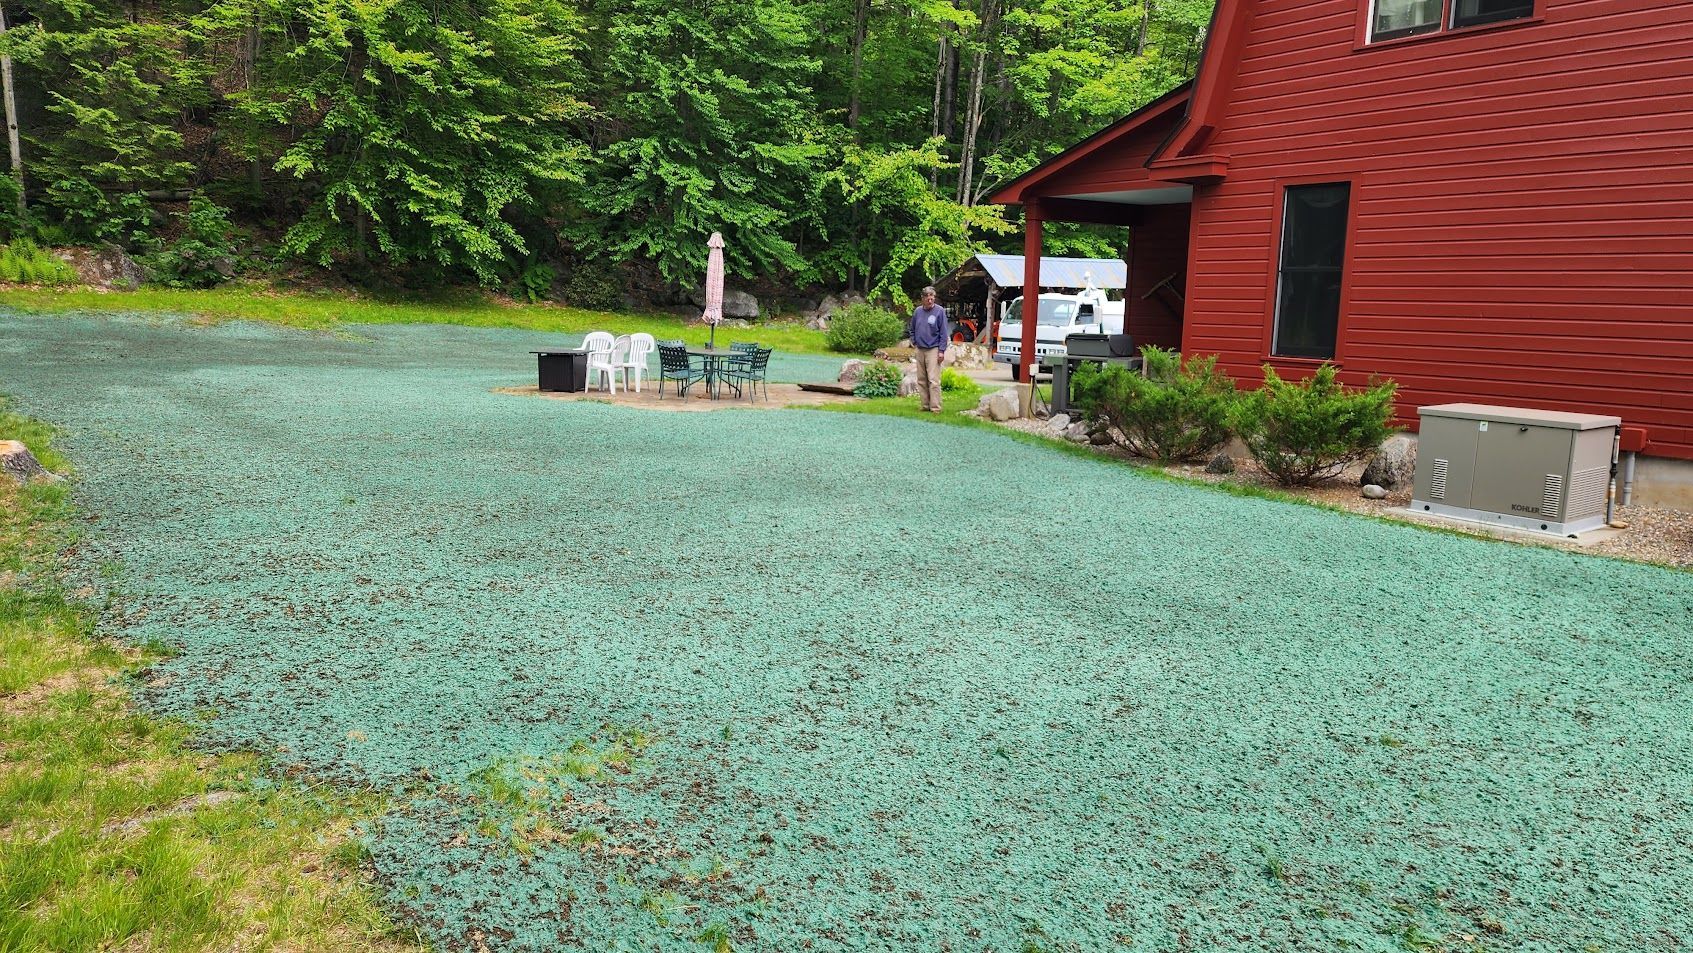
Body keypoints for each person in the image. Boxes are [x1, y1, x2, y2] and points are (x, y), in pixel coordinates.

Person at [907, 286, 949, 413]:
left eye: (932, 298)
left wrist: (941, 351)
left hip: (933, 349)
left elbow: (943, 333)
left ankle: (935, 408)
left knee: (933, 380)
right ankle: (925, 405)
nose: (930, 300)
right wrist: (914, 341)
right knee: (921, 379)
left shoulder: (939, 311)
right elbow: (912, 328)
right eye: (928, 298)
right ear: (923, 298)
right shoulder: (918, 311)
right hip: (920, 349)